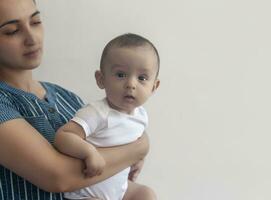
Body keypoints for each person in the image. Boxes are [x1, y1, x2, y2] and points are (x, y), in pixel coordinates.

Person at [0, 1, 150, 200]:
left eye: (35, 22)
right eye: (12, 31)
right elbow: (58, 177)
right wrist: (138, 148)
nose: (31, 38)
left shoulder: (65, 96)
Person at [54, 33, 160, 200]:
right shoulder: (97, 112)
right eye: (120, 75)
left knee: (146, 194)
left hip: (117, 191)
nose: (131, 84)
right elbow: (63, 136)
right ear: (101, 79)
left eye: (142, 78)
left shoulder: (141, 116)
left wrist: (139, 158)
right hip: (84, 194)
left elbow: (134, 141)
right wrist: (89, 152)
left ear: (154, 87)